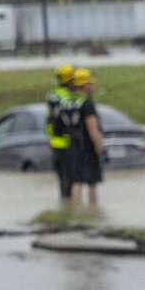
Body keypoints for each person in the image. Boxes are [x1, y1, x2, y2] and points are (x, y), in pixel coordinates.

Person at [68, 69, 107, 211]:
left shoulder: (71, 102)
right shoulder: (87, 104)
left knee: (77, 181)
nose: (92, 86)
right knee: (91, 182)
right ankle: (92, 211)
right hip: (87, 148)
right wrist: (102, 147)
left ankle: (75, 210)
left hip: (73, 146)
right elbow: (93, 129)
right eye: (90, 83)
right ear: (85, 85)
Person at [43, 65, 82, 201]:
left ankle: (65, 206)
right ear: (69, 80)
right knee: (72, 180)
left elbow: (48, 122)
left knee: (63, 181)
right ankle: (70, 208)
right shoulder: (69, 99)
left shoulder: (52, 96)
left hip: (55, 145)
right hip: (69, 145)